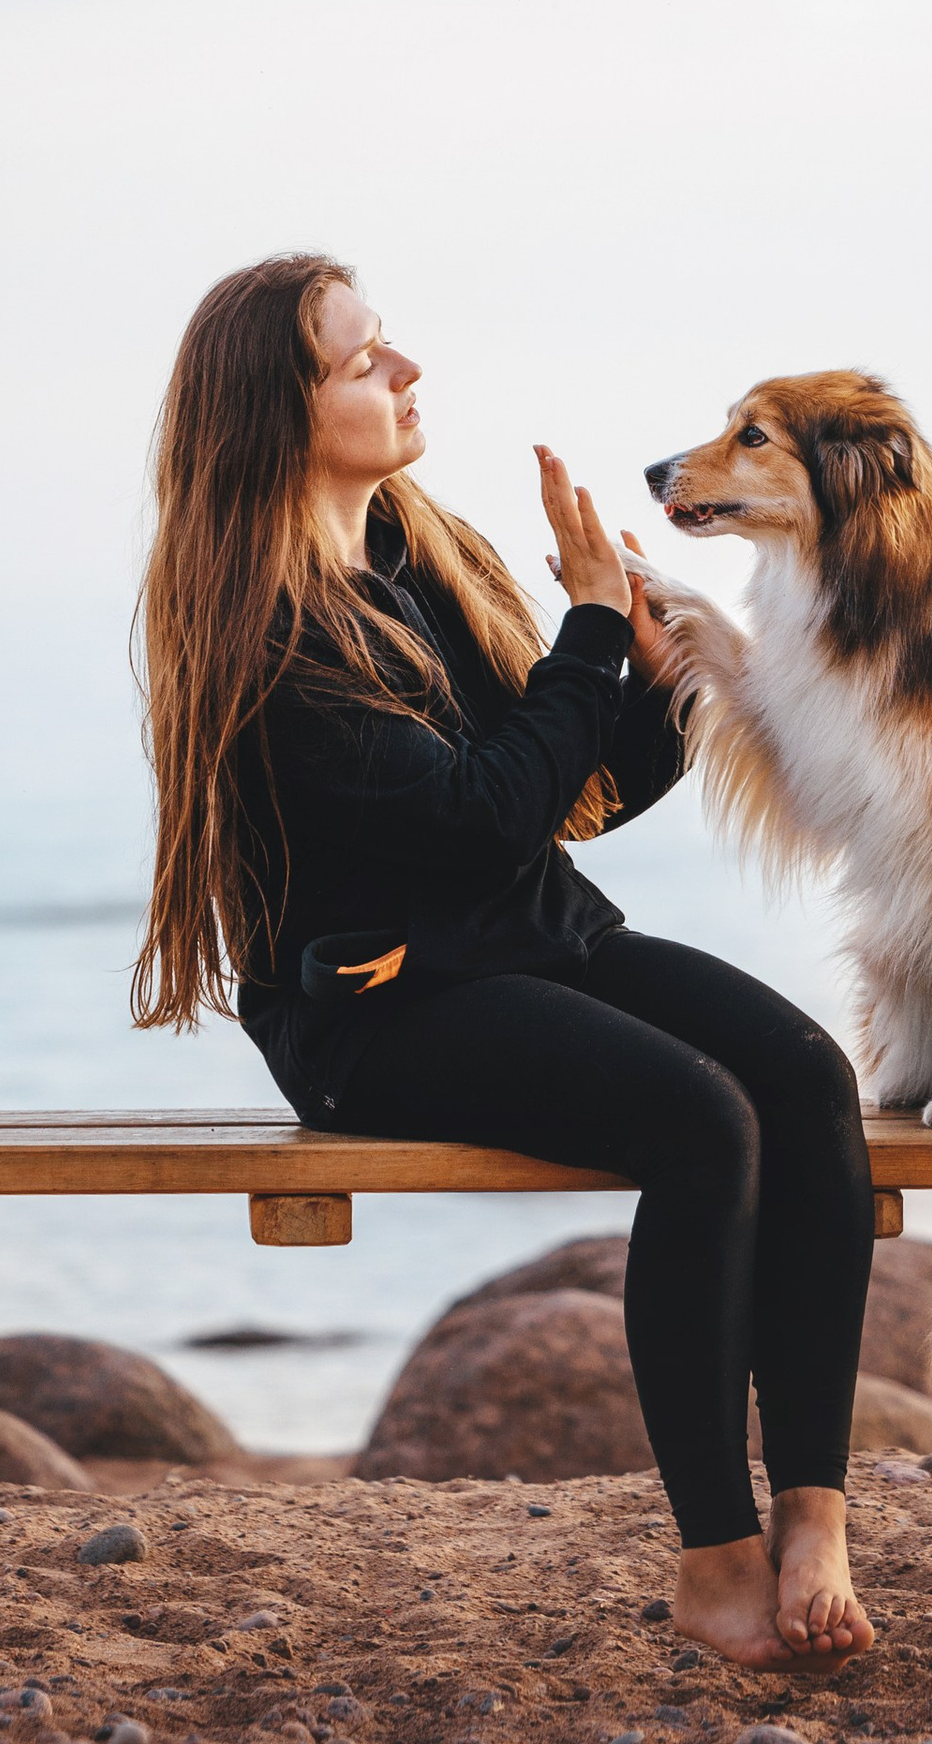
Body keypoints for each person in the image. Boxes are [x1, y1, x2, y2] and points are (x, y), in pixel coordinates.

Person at [133, 252, 878, 1669]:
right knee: (701, 1117)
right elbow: (480, 813)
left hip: (530, 935)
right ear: (282, 412)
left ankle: (815, 1512)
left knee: (802, 1075)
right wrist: (587, 629)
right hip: (377, 1004)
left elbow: (558, 793)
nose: (406, 370)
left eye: (390, 343)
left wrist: (655, 675)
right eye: (362, 360)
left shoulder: (416, 550)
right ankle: (717, 1560)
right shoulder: (263, 624)